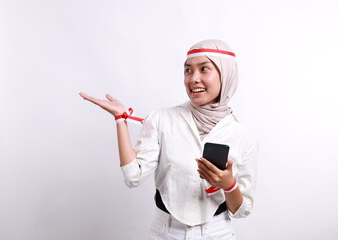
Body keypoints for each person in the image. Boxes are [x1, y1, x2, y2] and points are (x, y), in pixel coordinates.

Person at [79, 39, 258, 239]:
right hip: (166, 232)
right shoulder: (162, 119)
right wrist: (120, 119)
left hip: (218, 233)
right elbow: (133, 177)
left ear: (226, 74)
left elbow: (242, 210)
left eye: (204, 69)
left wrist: (229, 185)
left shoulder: (242, 136)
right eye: (188, 70)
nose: (193, 79)